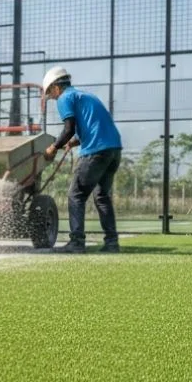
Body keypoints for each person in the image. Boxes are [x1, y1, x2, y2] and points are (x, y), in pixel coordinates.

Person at [41, 66, 123, 254]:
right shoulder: (86, 96)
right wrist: (75, 141)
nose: (53, 98)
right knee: (102, 197)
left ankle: (76, 242)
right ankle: (112, 243)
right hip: (113, 149)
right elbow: (94, 125)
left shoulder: (65, 98)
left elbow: (69, 128)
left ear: (56, 87)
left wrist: (53, 147)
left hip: (96, 151)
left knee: (75, 195)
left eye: (51, 94)